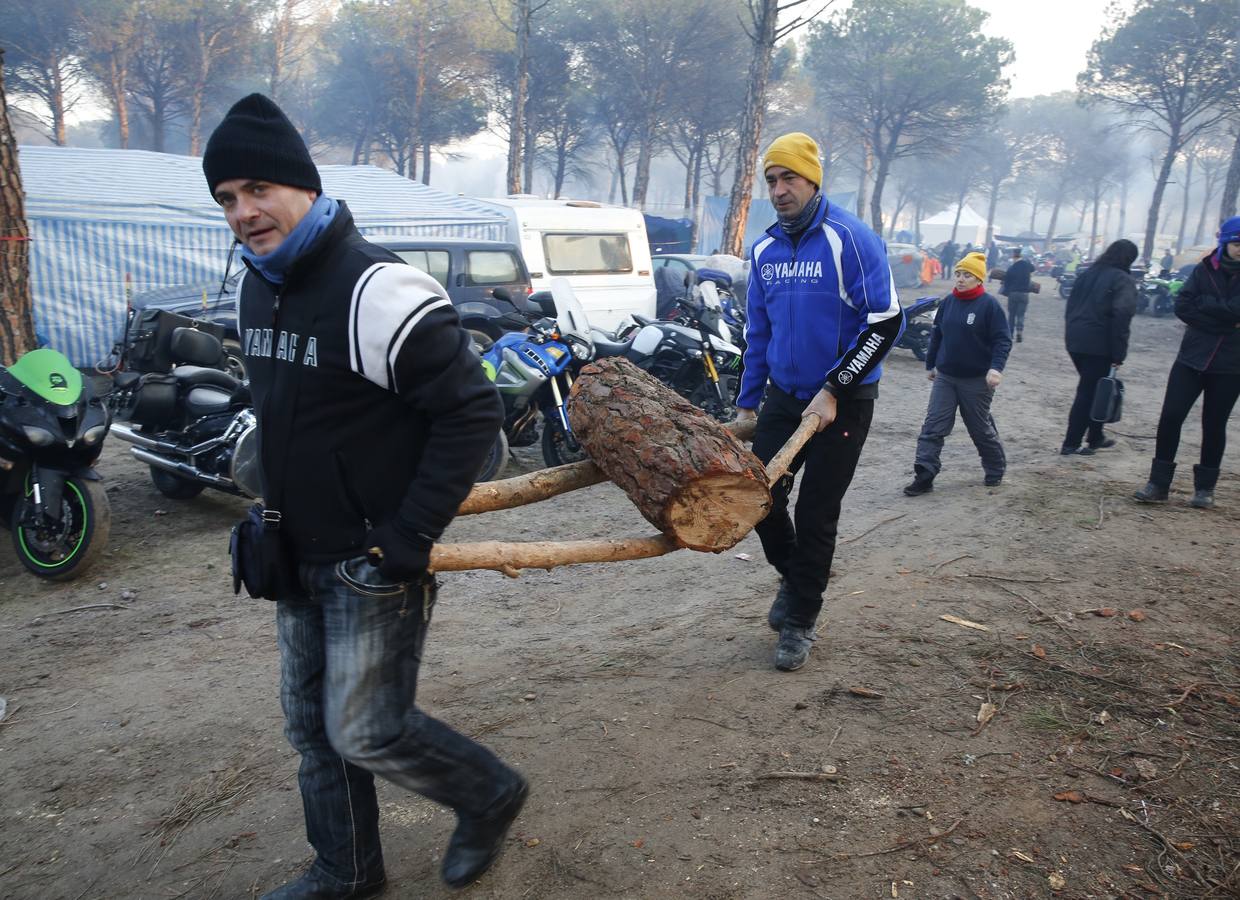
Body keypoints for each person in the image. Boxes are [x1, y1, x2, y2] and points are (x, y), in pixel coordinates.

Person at [202, 94, 526, 899]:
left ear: (299, 185)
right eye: (227, 199)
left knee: (367, 727)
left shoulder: (378, 290)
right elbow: (287, 412)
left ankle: (488, 793)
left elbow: (471, 413)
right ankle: (346, 870)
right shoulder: (256, 288)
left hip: (371, 561)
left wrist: (411, 533)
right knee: (312, 730)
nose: (244, 213)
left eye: (256, 190)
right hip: (292, 550)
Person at [736, 132, 904, 672]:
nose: (780, 190)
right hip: (785, 397)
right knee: (759, 499)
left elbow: (885, 322)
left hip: (846, 399)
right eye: (772, 180)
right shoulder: (763, 249)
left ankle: (802, 617)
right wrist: (747, 402)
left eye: (789, 179)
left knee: (816, 513)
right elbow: (757, 331)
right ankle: (796, 577)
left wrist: (834, 390)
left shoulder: (850, 239)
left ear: (812, 181)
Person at [1134, 217, 1240, 509]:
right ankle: (1158, 484)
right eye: (1236, 243)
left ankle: (1205, 489)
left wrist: (1206, 307)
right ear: (1225, 243)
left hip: (1231, 364)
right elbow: (1183, 305)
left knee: (1214, 425)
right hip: (1191, 357)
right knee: (1170, 417)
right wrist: (1225, 320)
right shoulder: (1203, 269)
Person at [904, 252, 1011, 496]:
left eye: (967, 275)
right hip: (946, 377)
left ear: (979, 279)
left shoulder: (989, 306)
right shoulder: (948, 302)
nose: (961, 279)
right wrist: (931, 364)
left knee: (979, 427)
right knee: (933, 425)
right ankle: (925, 474)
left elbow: (1002, 341)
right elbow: (937, 334)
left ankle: (995, 467)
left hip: (977, 379)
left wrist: (996, 368)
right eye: (959, 274)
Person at [1061, 239, 1139, 456]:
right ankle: (1071, 443)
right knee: (1088, 392)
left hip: (1076, 339)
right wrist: (1119, 352)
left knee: (1098, 388)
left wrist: (1072, 334)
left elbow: (1070, 306)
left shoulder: (1088, 274)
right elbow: (1122, 315)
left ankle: (1095, 436)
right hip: (1100, 343)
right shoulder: (1123, 279)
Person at [1000, 247, 1035, 342]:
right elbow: (1033, 268)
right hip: (1024, 294)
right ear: (1021, 255)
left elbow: (1006, 283)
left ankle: (1010, 333)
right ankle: (1019, 332)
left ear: (1013, 256)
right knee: (1021, 315)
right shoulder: (1026, 264)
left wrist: (1005, 292)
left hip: (1013, 293)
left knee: (1011, 314)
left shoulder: (1011, 268)